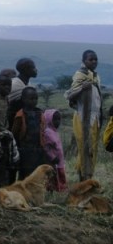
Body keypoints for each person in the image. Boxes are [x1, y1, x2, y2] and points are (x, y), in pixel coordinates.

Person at [64, 50, 102, 181]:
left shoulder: (95, 77)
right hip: (82, 117)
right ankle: (83, 178)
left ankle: (89, 177)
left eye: (96, 59)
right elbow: (70, 95)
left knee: (93, 149)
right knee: (84, 148)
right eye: (91, 59)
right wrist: (82, 88)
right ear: (84, 61)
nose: (94, 62)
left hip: (95, 118)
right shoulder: (80, 75)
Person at [6, 58, 38, 184]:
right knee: (12, 157)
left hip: (25, 130)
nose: (36, 70)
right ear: (25, 69)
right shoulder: (15, 84)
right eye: (33, 67)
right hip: (12, 126)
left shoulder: (28, 86)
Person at [11, 87, 46, 180]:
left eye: (36, 98)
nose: (34, 101)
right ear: (23, 99)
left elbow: (42, 130)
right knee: (24, 172)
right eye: (31, 98)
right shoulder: (20, 114)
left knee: (37, 172)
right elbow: (14, 132)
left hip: (37, 148)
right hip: (24, 149)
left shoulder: (39, 113)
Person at [43, 109, 67, 192]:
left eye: (59, 119)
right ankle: (52, 190)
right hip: (53, 161)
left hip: (59, 161)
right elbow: (46, 147)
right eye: (55, 119)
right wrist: (52, 157)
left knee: (60, 175)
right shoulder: (48, 132)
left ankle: (61, 189)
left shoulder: (54, 131)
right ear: (49, 120)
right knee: (53, 176)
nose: (58, 122)